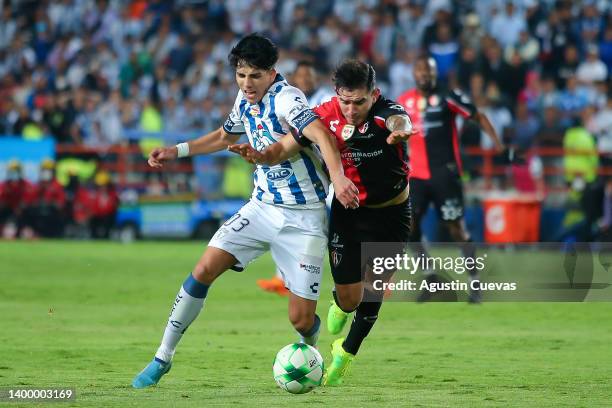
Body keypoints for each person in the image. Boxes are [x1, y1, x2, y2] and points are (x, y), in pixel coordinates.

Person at [131, 33, 358, 389]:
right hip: (262, 208)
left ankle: (308, 346)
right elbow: (224, 135)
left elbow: (321, 135)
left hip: (304, 218)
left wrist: (339, 178)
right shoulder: (245, 99)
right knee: (203, 269)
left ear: (272, 72)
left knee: (300, 320)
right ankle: (162, 357)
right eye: (241, 75)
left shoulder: (287, 99)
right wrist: (176, 151)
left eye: (254, 76)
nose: (247, 83)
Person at [230, 59, 414, 385]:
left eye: (360, 102)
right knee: (349, 297)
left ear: (374, 95)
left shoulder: (387, 111)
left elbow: (399, 119)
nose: (352, 109)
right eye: (345, 101)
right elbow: (287, 145)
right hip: (349, 212)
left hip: (392, 216)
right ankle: (341, 307)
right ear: (336, 95)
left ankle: (346, 352)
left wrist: (401, 131)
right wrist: (262, 155)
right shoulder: (324, 115)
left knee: (374, 292)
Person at [396, 56, 503, 303]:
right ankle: (430, 277)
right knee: (409, 227)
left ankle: (475, 284)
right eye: (420, 69)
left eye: (428, 70)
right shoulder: (404, 102)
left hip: (446, 174)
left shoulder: (449, 96)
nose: (424, 74)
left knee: (455, 228)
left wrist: (498, 145)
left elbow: (478, 116)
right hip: (417, 177)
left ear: (435, 74)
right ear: (414, 73)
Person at [256, 60, 334, 296]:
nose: (306, 79)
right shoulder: (286, 100)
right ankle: (283, 279)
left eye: (309, 74)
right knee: (282, 225)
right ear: (295, 78)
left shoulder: (326, 99)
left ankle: (372, 277)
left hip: (328, 173)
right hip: (300, 176)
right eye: (301, 75)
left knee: (344, 226)